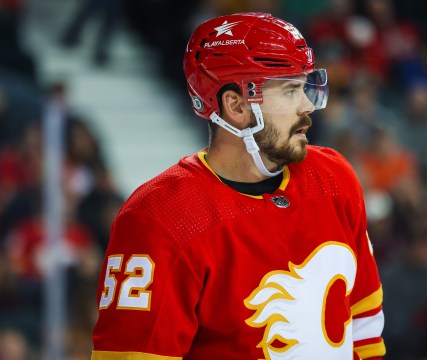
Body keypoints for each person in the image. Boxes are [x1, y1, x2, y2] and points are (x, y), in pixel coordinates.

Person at [90, 12, 385, 360]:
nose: (308, 105)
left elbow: (364, 327)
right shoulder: (161, 217)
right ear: (236, 105)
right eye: (290, 90)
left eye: (305, 86)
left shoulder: (334, 178)